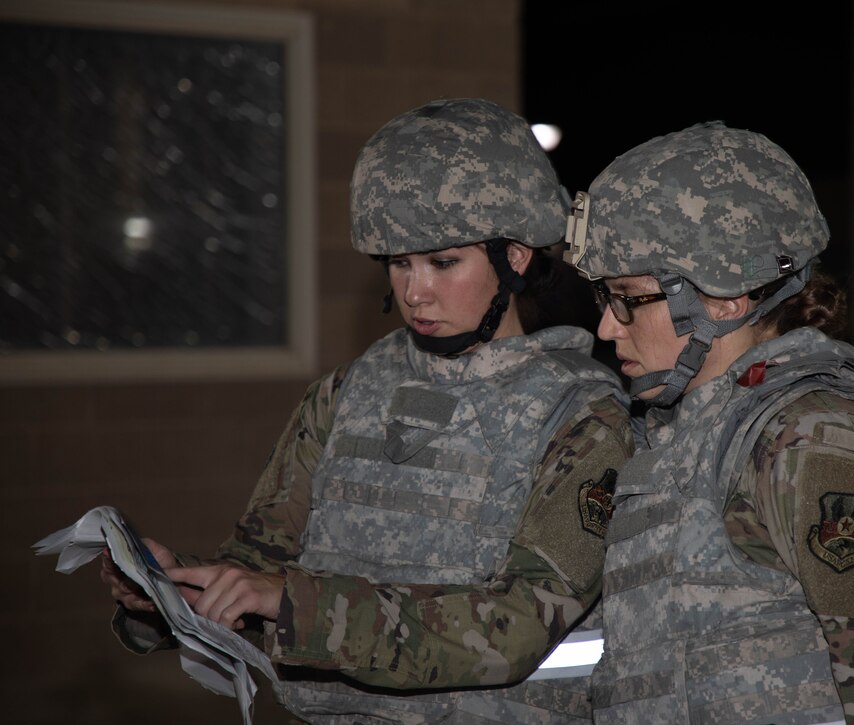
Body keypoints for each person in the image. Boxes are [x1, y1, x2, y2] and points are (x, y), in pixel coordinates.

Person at [100, 98, 633, 723]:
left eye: (442, 262)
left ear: (514, 256)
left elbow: (514, 628)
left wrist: (296, 606)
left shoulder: (583, 416)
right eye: (398, 263)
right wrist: (175, 591)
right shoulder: (347, 393)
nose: (413, 291)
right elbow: (261, 566)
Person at [563, 123, 854, 724]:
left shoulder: (812, 436)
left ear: (723, 299)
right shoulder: (690, 432)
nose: (607, 327)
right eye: (603, 298)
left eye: (629, 297)